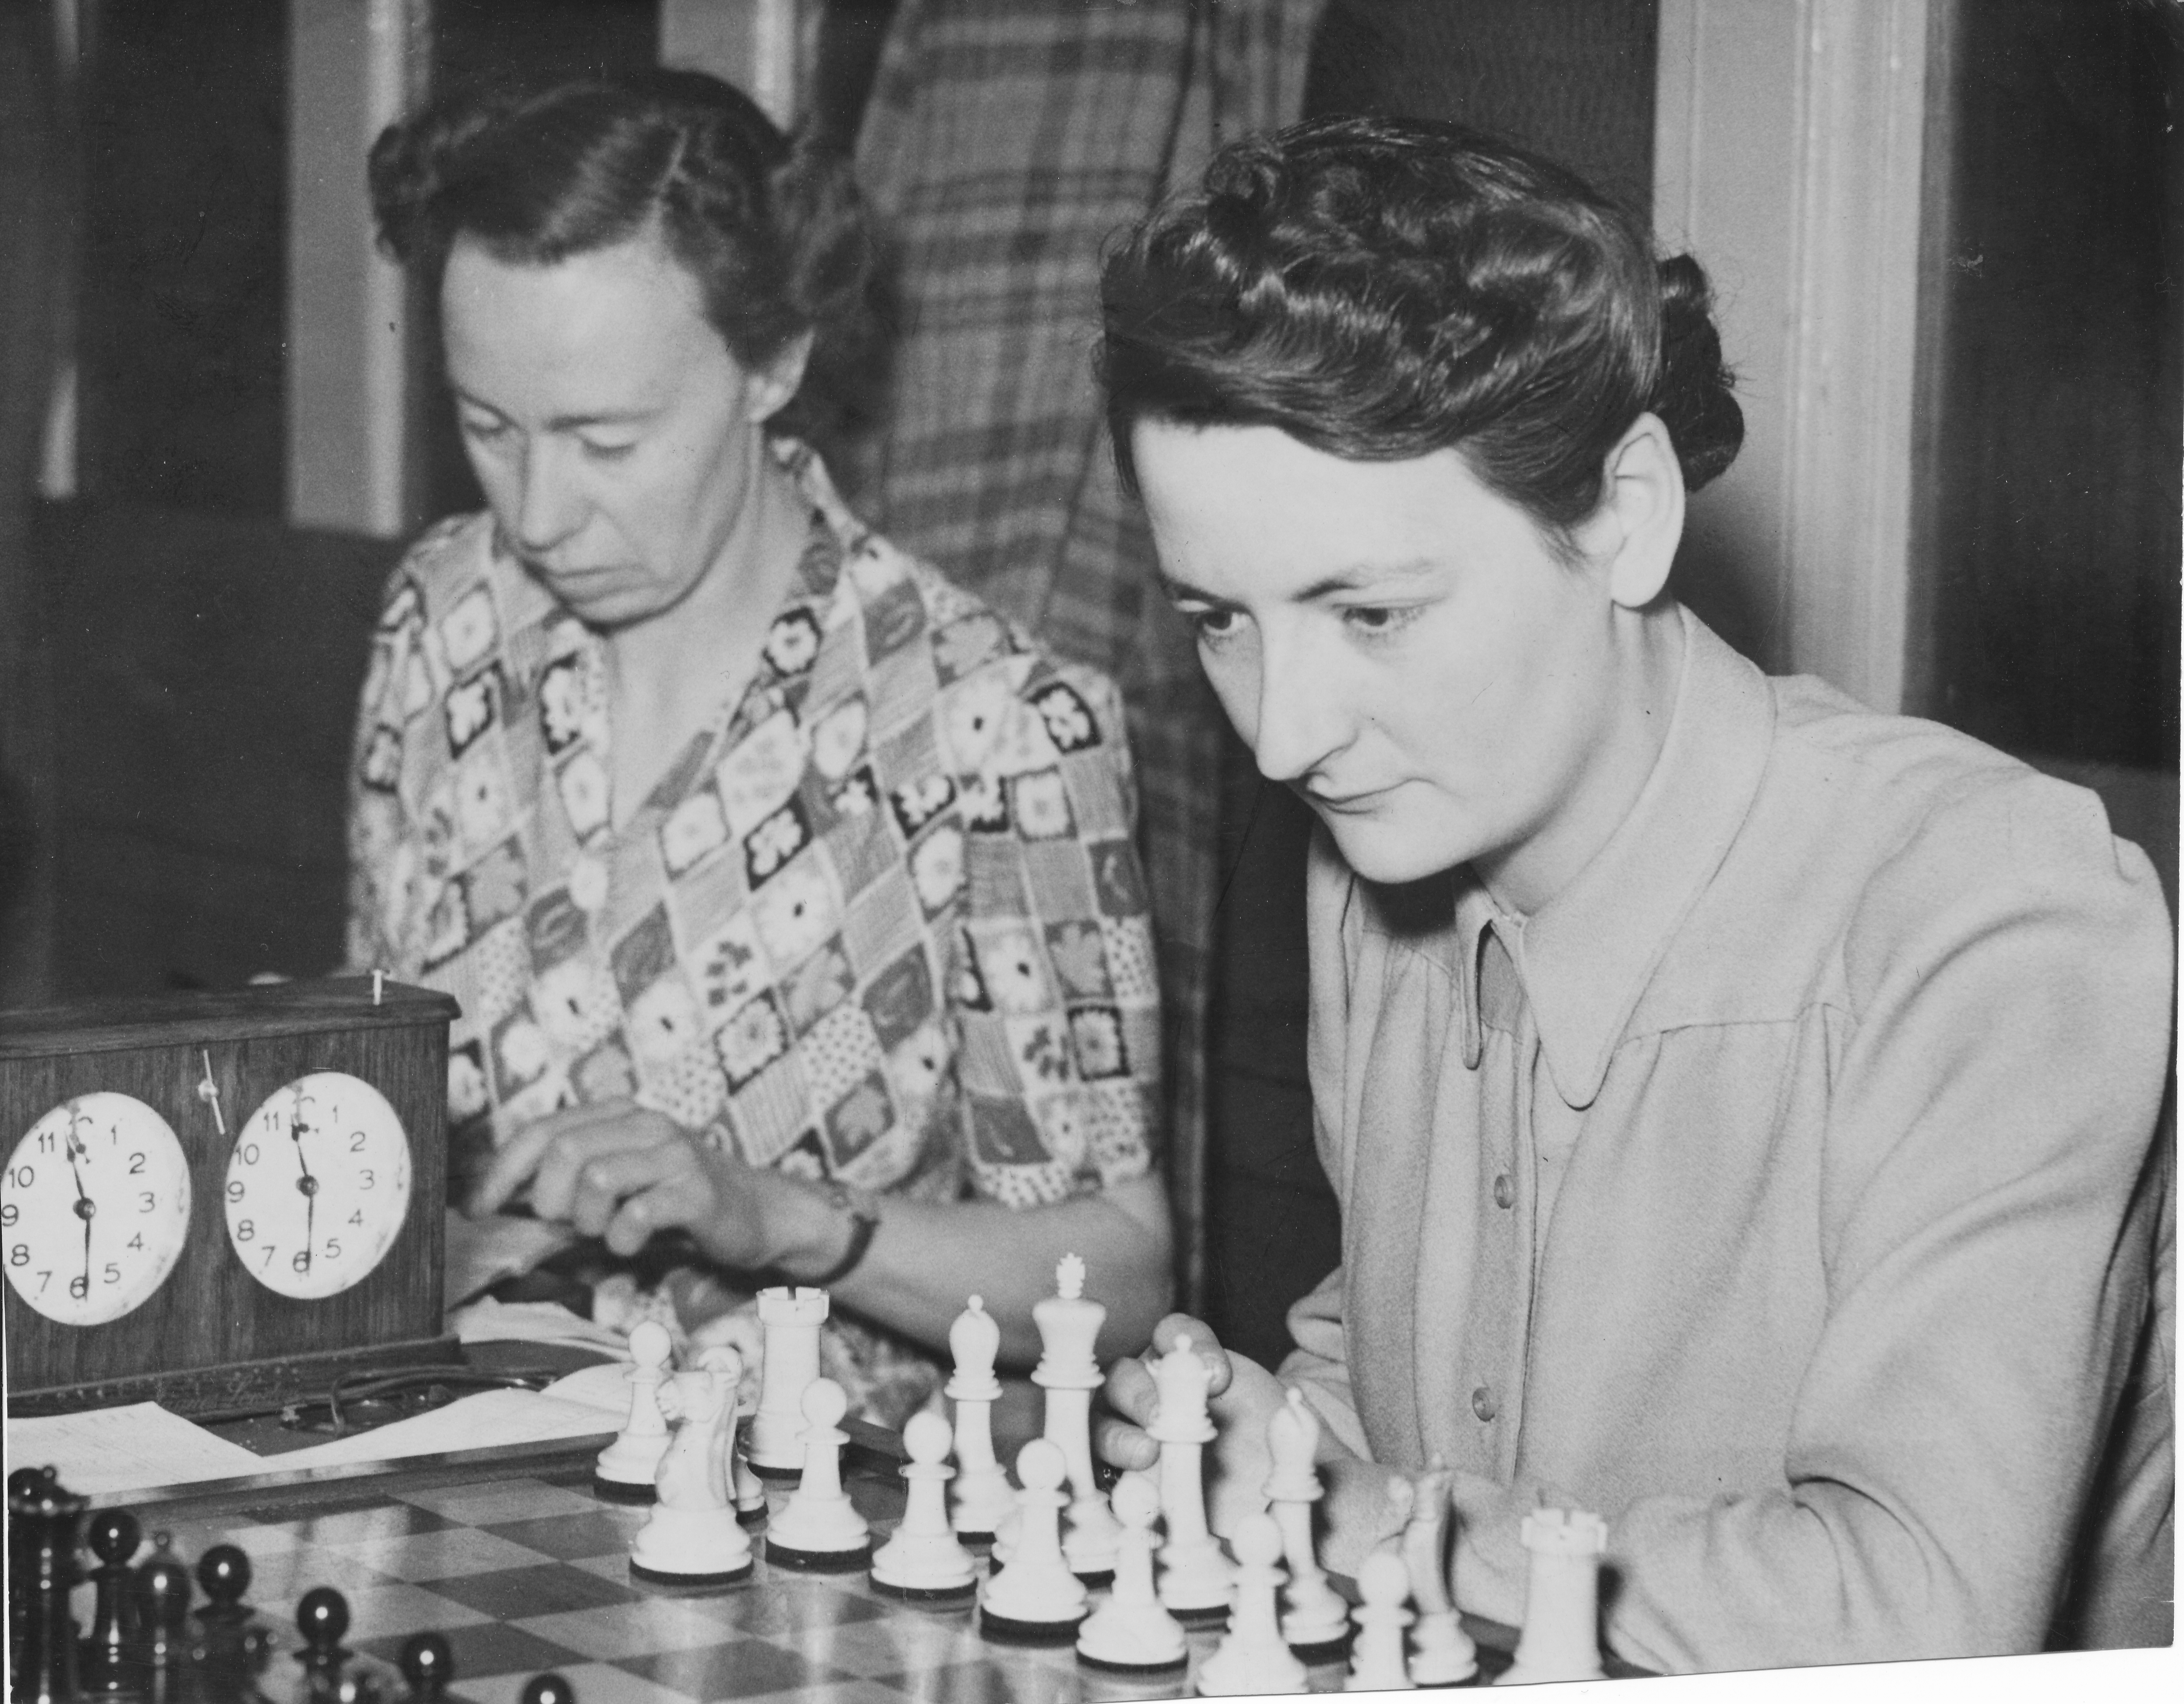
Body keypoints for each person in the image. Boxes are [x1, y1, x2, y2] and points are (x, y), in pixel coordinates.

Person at [1090, 116, 2175, 1672]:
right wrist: (1259, 1439)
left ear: (1623, 516)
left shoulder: (1989, 916)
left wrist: (1363, 1522)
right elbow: (1411, 1373)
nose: (1283, 733)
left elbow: (1922, 1607)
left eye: (1372, 614)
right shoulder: (1381, 849)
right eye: (1221, 621)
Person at [344, 69, 1172, 1423]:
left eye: (606, 440)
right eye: (489, 428)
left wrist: (766, 1212)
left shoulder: (996, 726)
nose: (539, 514)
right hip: (467, 1460)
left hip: (820, 1527)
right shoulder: (443, 616)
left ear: (775, 361)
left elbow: (1124, 1273)